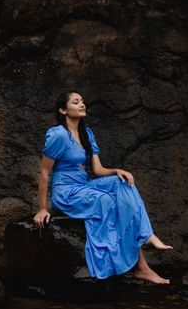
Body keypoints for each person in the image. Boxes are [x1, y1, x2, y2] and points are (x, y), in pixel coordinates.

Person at [33, 91, 172, 284]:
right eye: (76, 102)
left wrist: (117, 171)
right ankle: (141, 265)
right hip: (66, 193)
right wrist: (42, 208)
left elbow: (98, 170)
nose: (82, 104)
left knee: (122, 182)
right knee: (106, 200)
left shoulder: (86, 134)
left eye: (82, 101)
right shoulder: (58, 135)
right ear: (63, 110)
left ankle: (146, 236)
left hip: (83, 186)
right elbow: (44, 172)